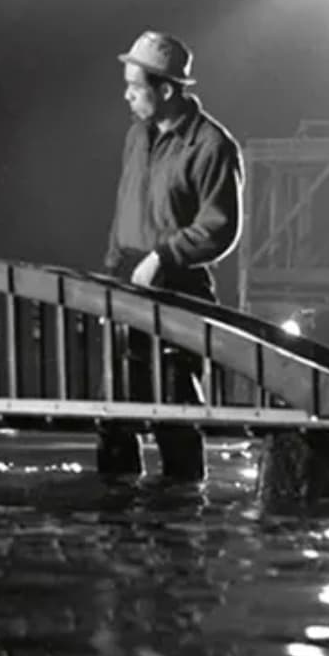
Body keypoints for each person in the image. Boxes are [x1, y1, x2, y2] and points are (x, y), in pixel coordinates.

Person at [101, 31, 243, 477]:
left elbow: (220, 227)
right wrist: (110, 270)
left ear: (165, 89)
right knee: (112, 409)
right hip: (129, 278)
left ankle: (183, 509)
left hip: (177, 284)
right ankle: (116, 506)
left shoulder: (211, 145)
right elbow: (124, 207)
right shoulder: (136, 137)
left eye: (135, 87)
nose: (127, 96)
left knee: (175, 408)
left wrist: (164, 256)